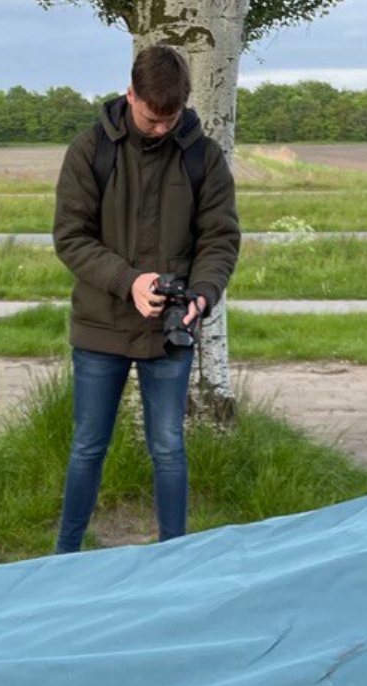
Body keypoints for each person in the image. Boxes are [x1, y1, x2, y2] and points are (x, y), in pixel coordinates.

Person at [50, 44, 240, 554]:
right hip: (100, 325)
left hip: (171, 332)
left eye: (170, 118)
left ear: (184, 104)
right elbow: (70, 237)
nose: (161, 127)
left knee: (169, 448)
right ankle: (64, 559)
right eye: (152, 117)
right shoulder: (90, 150)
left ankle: (172, 562)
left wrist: (202, 296)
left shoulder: (204, 156)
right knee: (88, 448)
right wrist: (128, 281)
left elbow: (219, 239)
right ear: (130, 94)